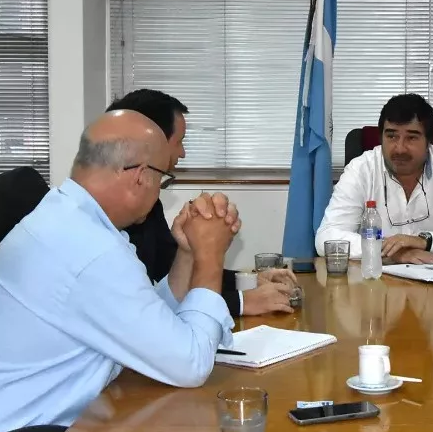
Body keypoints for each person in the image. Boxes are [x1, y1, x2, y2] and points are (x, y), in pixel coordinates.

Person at [0, 110, 239, 432]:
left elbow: (147, 321)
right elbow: (191, 365)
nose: (159, 190)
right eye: (162, 179)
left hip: (23, 420)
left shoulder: (70, 219)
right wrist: (211, 254)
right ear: (141, 176)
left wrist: (188, 254)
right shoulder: (89, 249)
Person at [106, 89, 297, 317]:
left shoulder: (147, 204)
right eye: (179, 142)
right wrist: (241, 302)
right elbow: (143, 312)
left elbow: (171, 273)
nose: (183, 153)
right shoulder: (102, 230)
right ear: (152, 142)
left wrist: (247, 280)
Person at [315, 93, 433, 264]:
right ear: (381, 137)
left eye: (411, 138)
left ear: (428, 141)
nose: (400, 148)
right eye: (391, 136)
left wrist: (425, 241)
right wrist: (392, 251)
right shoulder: (361, 169)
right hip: (377, 279)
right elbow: (327, 236)